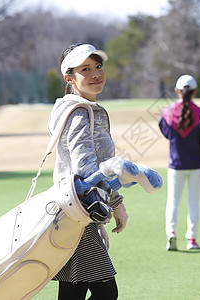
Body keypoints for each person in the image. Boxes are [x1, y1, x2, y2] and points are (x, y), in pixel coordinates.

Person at [48, 43, 128, 300]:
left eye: (98, 66)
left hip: (76, 211)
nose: (96, 74)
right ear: (69, 78)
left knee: (73, 291)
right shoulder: (79, 112)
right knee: (106, 293)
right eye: (86, 69)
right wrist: (116, 204)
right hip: (78, 210)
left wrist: (96, 219)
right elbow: (86, 168)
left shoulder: (77, 108)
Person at [159, 75, 200, 251]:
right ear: (195, 91)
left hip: (176, 165)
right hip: (197, 165)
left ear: (176, 91)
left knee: (173, 202)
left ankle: (171, 234)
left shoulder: (168, 112)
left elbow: (166, 133)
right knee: (193, 203)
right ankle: (192, 240)